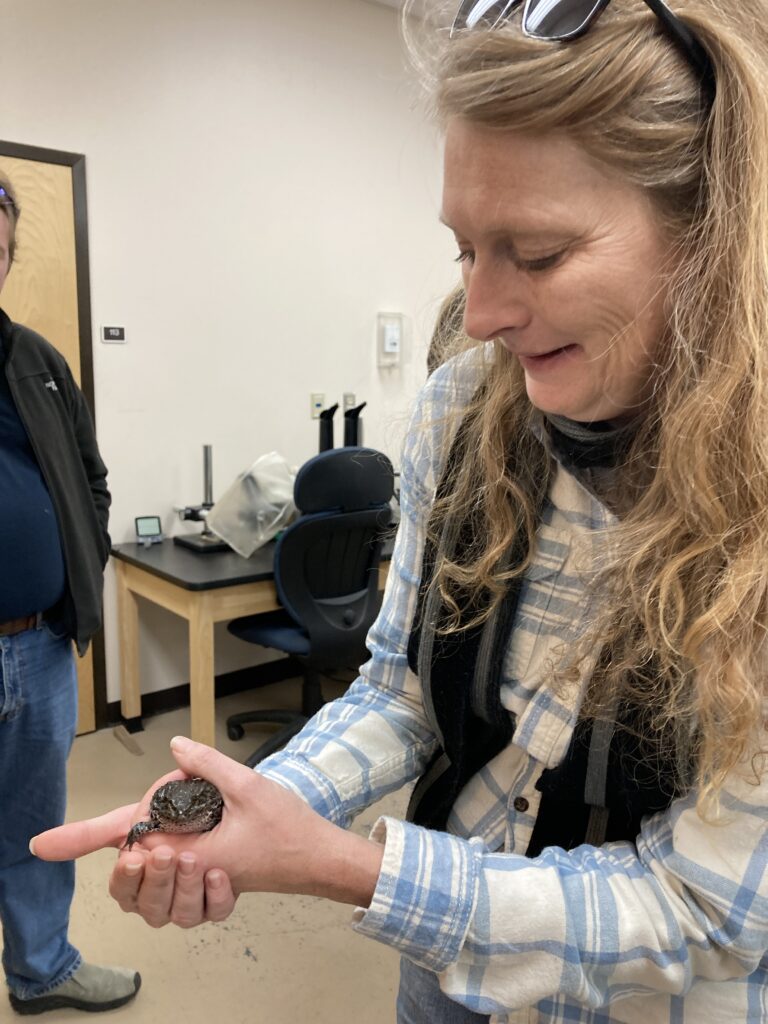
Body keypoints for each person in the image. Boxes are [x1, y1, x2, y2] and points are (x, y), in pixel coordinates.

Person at [29, 0, 768, 1020]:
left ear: (711, 233)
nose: (482, 315)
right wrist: (263, 805)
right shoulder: (462, 413)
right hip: (443, 975)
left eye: (537, 254)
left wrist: (345, 866)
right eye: (465, 250)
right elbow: (405, 689)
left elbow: (709, 907)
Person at [0, 174, 141, 1015]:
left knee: (36, 826)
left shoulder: (37, 362)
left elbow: (91, 478)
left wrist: (82, 566)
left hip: (40, 647)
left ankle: (41, 970)